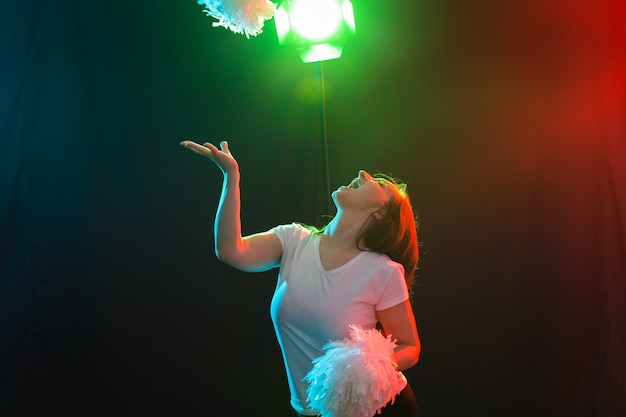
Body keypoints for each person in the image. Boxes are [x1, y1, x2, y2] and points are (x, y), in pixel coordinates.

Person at [180, 139, 421, 417]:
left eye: (378, 183)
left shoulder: (383, 271)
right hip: (307, 411)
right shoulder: (293, 239)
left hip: (379, 409)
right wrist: (231, 176)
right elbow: (231, 250)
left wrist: (360, 372)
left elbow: (409, 347)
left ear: (380, 213)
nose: (362, 175)